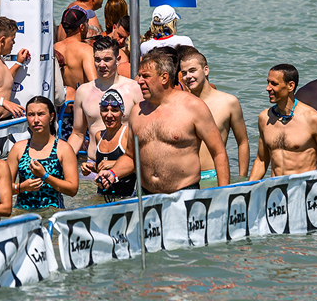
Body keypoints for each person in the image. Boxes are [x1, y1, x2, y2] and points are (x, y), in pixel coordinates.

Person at [130, 49, 228, 192]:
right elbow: (129, 156)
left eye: (145, 76)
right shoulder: (136, 111)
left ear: (164, 78)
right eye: (139, 76)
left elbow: (219, 153)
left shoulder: (193, 107)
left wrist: (223, 194)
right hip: (146, 195)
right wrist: (112, 173)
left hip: (185, 194)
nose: (139, 81)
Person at [249, 64, 317, 179]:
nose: (268, 88)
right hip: (276, 187)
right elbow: (261, 161)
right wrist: (248, 187)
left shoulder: (312, 118)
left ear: (290, 86)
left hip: (303, 187)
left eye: (274, 84)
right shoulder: (265, 118)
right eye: (268, 83)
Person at [178, 47, 250, 178]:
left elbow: (242, 142)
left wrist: (242, 178)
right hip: (186, 177)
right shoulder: (181, 104)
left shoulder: (228, 102)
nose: (188, 76)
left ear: (206, 70)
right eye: (184, 73)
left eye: (192, 71)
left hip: (214, 175)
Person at [66, 36, 142, 159]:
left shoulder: (134, 89)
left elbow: (144, 130)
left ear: (117, 60)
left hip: (124, 164)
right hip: (93, 164)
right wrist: (63, 162)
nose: (101, 65)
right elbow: (78, 134)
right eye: (97, 60)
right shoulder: (83, 91)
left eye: (107, 60)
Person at [7, 97, 79, 211]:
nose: (36, 120)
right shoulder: (18, 148)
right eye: (31, 115)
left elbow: (73, 190)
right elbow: (2, 188)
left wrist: (45, 176)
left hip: (53, 214)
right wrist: (21, 187)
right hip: (24, 214)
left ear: (51, 116)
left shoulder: (63, 149)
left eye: (41, 114)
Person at [80, 90, 137, 199]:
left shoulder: (127, 134)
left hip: (126, 198)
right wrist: (91, 168)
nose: (109, 115)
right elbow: (102, 167)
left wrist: (114, 164)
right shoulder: (99, 136)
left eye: (114, 110)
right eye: (105, 110)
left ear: (122, 113)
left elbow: (140, 167)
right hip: (102, 197)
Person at [53, 7, 96, 99]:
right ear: (82, 27)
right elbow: (93, 83)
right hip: (81, 101)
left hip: (62, 102)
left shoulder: (54, 48)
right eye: (87, 23)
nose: (88, 25)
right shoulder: (86, 50)